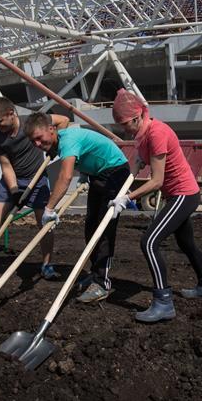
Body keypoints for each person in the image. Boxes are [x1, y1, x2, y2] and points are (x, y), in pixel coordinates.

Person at [108, 89, 202, 322]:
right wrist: (124, 188)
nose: (123, 129)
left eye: (125, 123)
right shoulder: (142, 133)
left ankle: (164, 302)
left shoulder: (156, 133)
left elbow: (157, 180)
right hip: (177, 194)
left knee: (149, 241)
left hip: (183, 194)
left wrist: (128, 198)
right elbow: (137, 162)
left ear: (137, 117)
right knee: (186, 243)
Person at [0, 97, 69, 283]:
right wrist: (14, 189)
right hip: (12, 180)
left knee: (44, 221)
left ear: (11, 113)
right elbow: (6, 166)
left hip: (37, 178)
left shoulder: (31, 121)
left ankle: (47, 265)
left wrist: (57, 146)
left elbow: (63, 120)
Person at [25, 113, 130, 303]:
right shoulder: (61, 134)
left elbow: (65, 178)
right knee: (91, 227)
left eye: (40, 138)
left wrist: (49, 209)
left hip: (115, 171)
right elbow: (62, 119)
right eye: (33, 141)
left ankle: (102, 283)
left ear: (51, 129)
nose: (38, 145)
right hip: (98, 173)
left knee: (104, 229)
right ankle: (95, 272)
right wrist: (85, 171)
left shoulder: (68, 141)